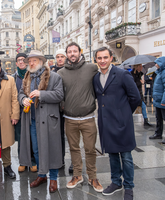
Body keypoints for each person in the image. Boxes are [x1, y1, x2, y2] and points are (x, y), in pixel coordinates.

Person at [93, 47, 140, 200]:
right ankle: (115, 182)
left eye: (105, 57)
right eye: (99, 58)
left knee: (126, 156)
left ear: (111, 58)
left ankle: (128, 186)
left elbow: (136, 98)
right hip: (106, 123)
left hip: (122, 123)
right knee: (112, 154)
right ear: (96, 60)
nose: (102, 61)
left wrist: (124, 113)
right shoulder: (95, 78)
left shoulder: (122, 75)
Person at [57, 42, 103, 192]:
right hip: (70, 119)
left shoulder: (91, 68)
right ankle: (77, 175)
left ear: (80, 52)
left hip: (88, 117)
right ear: (66, 54)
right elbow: (58, 93)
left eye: (74, 51)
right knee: (74, 148)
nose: (72, 54)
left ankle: (92, 176)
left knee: (90, 149)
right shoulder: (61, 73)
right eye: (69, 52)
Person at [19, 50, 64, 193]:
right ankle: (42, 175)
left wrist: (41, 94)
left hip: (49, 119)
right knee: (37, 149)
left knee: (51, 149)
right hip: (32, 120)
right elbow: (21, 93)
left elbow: (59, 95)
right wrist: (23, 99)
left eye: (34, 60)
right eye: (29, 61)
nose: (31, 63)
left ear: (41, 62)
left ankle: (53, 179)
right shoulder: (27, 77)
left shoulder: (54, 76)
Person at [11, 53, 37, 173]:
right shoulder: (13, 78)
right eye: (19, 60)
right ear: (16, 63)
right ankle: (22, 161)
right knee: (21, 138)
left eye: (23, 60)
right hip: (19, 112)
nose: (21, 62)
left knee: (32, 137)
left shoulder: (32, 75)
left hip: (31, 111)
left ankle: (32, 161)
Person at [149, 56, 165, 144]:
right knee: (158, 118)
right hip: (158, 100)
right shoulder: (159, 72)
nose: (155, 65)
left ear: (162, 63)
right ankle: (158, 133)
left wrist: (164, 100)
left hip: (163, 101)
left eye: (157, 63)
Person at [52, 49, 67, 166]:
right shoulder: (51, 71)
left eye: (62, 56)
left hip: (69, 106)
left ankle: (73, 161)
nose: (60, 58)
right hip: (56, 107)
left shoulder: (70, 69)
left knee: (72, 136)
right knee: (59, 134)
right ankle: (60, 159)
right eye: (58, 56)